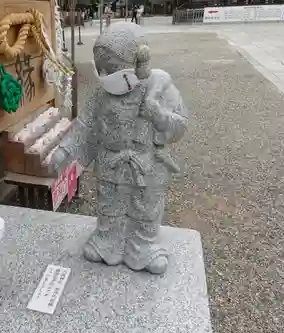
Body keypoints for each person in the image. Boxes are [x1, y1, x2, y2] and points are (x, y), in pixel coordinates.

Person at [50, 22, 189, 274]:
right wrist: (64, 151)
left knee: (144, 208)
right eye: (101, 69)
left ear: (137, 61)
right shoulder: (102, 94)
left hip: (146, 164)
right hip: (111, 163)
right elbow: (85, 125)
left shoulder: (160, 89)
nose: (105, 74)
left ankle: (143, 247)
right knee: (110, 207)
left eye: (112, 68)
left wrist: (158, 115)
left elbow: (179, 126)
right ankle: (108, 242)